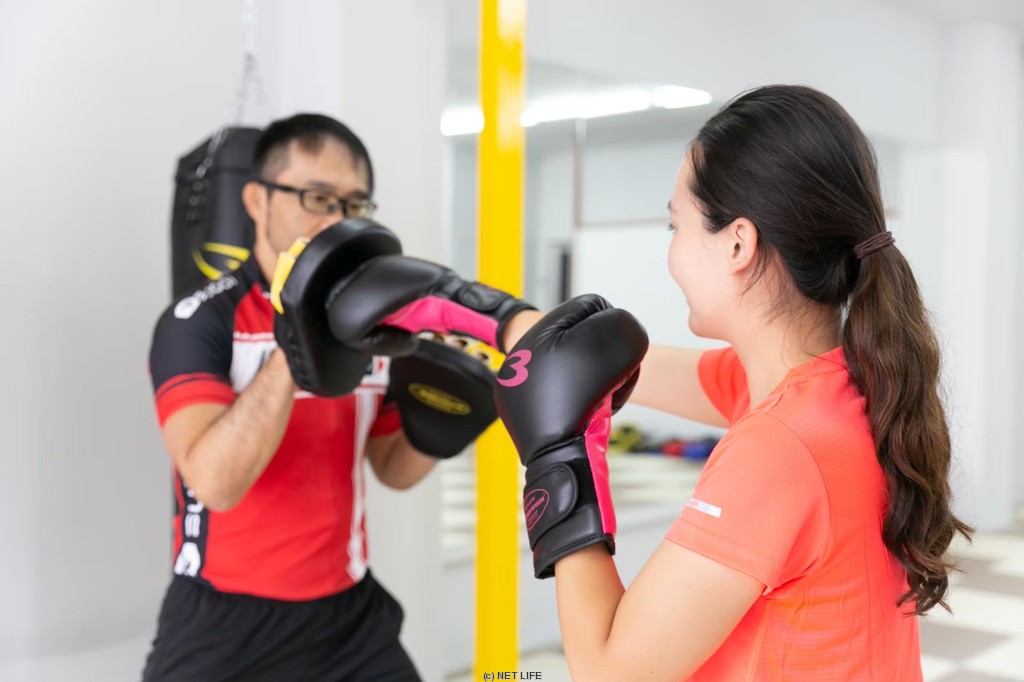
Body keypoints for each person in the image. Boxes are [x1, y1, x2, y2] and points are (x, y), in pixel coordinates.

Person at [489, 84, 974, 680]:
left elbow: (609, 670)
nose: (672, 253)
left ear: (739, 243)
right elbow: (641, 369)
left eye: (676, 227)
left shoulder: (778, 447)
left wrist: (560, 457)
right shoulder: (847, 383)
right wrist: (487, 316)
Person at [143, 113, 466, 682]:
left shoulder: (371, 327)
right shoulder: (198, 321)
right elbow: (215, 483)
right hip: (224, 623)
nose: (337, 220)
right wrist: (297, 344)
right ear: (256, 200)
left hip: (350, 619)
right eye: (317, 198)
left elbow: (392, 468)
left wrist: (448, 417)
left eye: (354, 203)